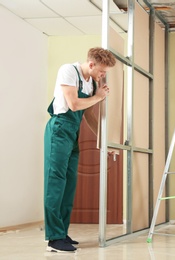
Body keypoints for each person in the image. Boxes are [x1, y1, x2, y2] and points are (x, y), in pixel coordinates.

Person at [44, 47, 116, 253]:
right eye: (102, 71)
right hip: (59, 128)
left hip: (73, 132)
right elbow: (74, 105)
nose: (103, 76)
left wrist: (104, 141)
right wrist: (99, 97)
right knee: (55, 182)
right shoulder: (69, 71)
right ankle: (54, 238)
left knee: (69, 184)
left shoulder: (91, 83)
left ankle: (62, 232)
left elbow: (89, 116)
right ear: (91, 64)